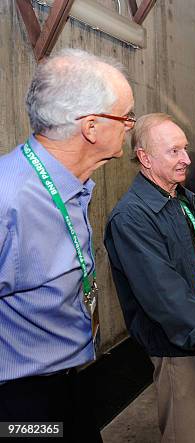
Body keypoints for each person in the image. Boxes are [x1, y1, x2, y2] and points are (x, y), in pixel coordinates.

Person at [0, 48, 133, 441]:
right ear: (91, 127)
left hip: (71, 383)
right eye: (125, 116)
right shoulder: (10, 199)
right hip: (22, 403)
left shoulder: (71, 186)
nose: (129, 125)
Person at [104, 114, 195, 443]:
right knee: (189, 432)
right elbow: (162, 294)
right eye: (174, 151)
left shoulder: (180, 196)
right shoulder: (131, 217)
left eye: (186, 149)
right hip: (179, 338)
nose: (186, 159)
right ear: (145, 158)